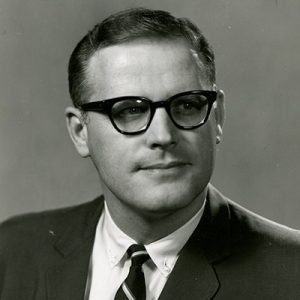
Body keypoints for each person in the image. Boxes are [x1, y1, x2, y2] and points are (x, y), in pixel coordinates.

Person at [0, 7, 300, 300]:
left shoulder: (292, 272)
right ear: (81, 133)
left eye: (186, 105)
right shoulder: (12, 249)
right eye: (130, 110)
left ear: (217, 118)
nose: (163, 136)